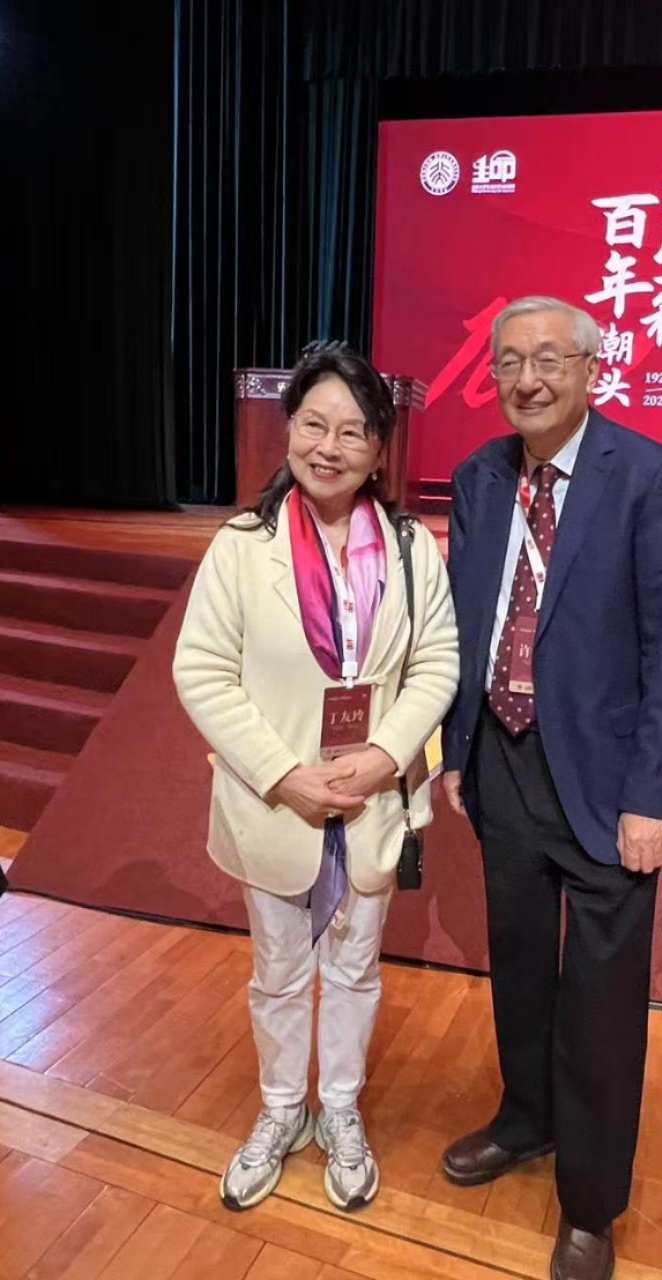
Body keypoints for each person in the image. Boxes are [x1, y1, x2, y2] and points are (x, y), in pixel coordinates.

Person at [441, 298, 662, 1280]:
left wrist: (653, 798)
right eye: (510, 361)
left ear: (593, 369)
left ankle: (590, 1202)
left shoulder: (645, 472)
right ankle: (526, 1120)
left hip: (603, 780)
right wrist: (456, 750)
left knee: (599, 1001)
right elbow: (464, 625)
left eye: (550, 359)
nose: (528, 378)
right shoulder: (477, 477)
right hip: (502, 764)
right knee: (517, 968)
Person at [173, 342, 458, 1214]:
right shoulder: (241, 546)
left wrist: (384, 755)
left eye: (352, 431)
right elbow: (201, 672)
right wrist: (283, 775)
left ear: (378, 448)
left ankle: (337, 1109)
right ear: (288, 429)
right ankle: (279, 1111)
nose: (329, 447)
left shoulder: (410, 548)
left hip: (371, 803)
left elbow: (437, 663)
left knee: (357, 969)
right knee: (278, 972)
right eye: (313, 425)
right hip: (277, 805)